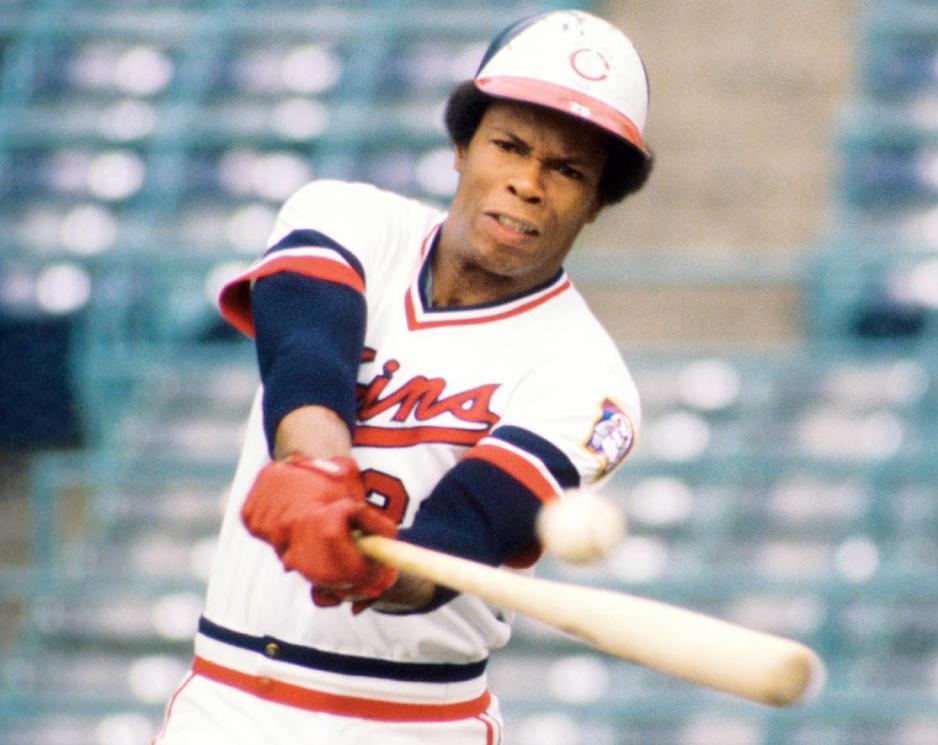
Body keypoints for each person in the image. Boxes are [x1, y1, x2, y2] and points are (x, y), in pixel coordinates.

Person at [153, 8, 654, 744]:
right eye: (509, 146)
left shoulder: (592, 382)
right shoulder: (347, 217)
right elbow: (307, 353)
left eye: (568, 169)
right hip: (227, 700)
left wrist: (377, 569)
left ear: (597, 201)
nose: (527, 183)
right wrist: (317, 466)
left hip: (410, 721)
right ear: (461, 146)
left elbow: (464, 537)